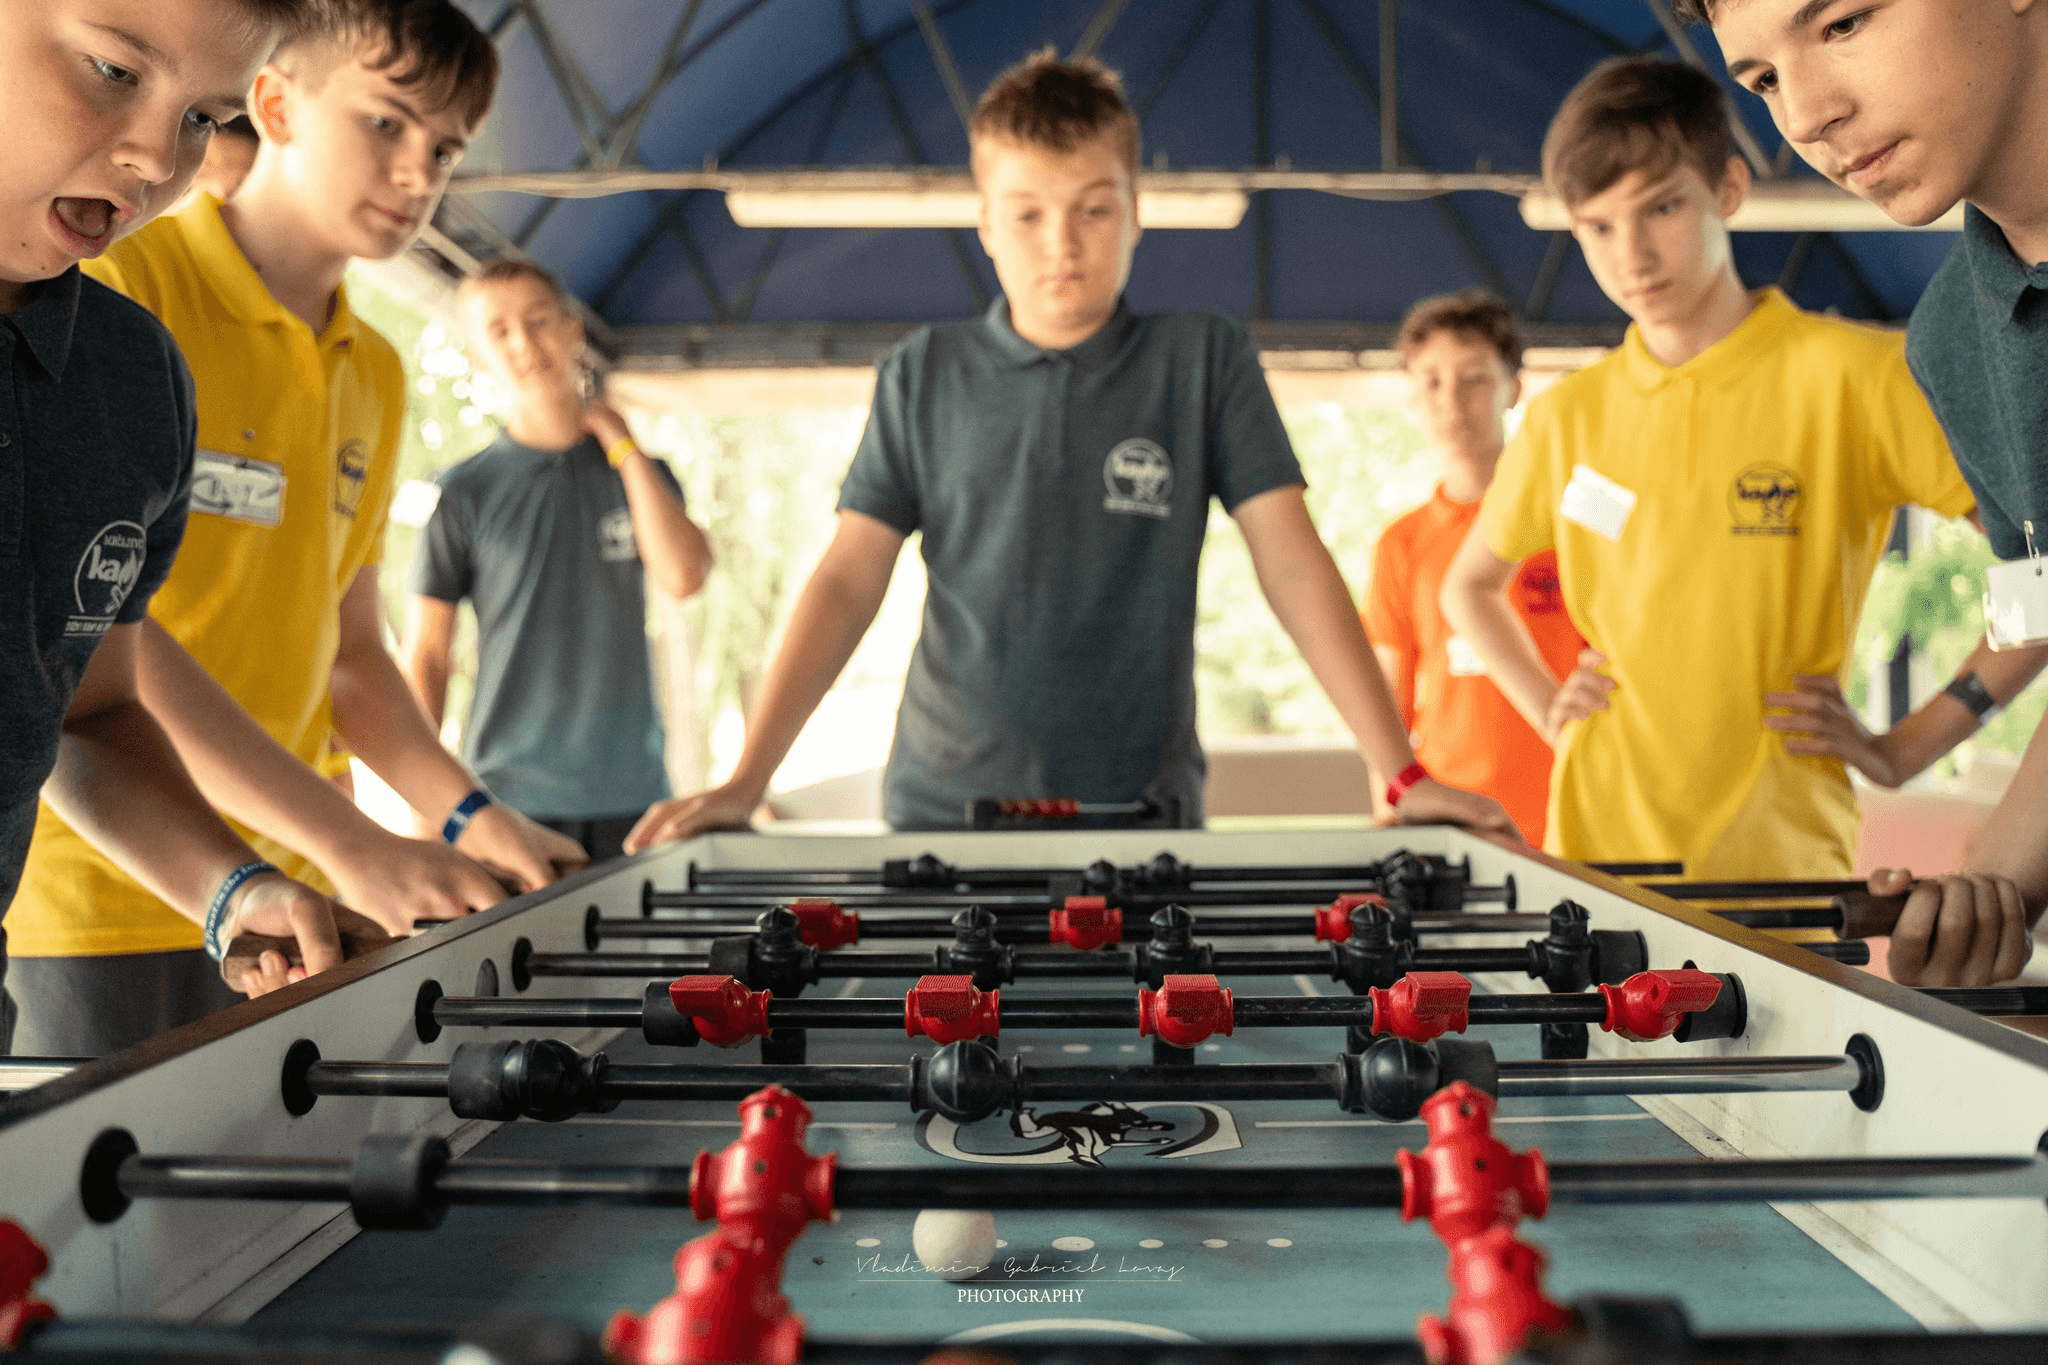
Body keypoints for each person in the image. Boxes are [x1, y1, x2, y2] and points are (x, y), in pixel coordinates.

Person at [628, 49, 1519, 852]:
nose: (1063, 244)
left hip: (1143, 821)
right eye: (1027, 214)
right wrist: (746, 780)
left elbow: (1291, 562)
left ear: (1136, 214)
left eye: (1095, 209)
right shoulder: (924, 372)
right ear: (983, 222)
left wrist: (1401, 772)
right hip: (946, 816)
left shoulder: (1201, 359)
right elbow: (848, 577)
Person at [8, 0, 588, 1056]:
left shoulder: (340, 371)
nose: (419, 173)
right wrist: (350, 839)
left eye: (445, 148)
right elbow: (92, 663)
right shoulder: (132, 276)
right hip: (91, 898)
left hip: (260, 889)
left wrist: (462, 819)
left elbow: (340, 658)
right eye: (385, 123)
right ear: (275, 107)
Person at [1439, 57, 2044, 985]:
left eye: (1660, 209)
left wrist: (1910, 743)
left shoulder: (1855, 375)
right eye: (1596, 227)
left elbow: (2035, 579)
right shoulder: (1569, 416)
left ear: (1728, 188)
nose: (1629, 254)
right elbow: (1468, 586)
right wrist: (1551, 713)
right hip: (1596, 861)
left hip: (1786, 873)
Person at [0, 0, 384, 1053]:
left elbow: (86, 711)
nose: (153, 160)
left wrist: (231, 889)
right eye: (114, 72)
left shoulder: (132, 382)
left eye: (203, 117)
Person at [1680, 4, 2048, 980]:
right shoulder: (1950, 338)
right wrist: (1989, 893)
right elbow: (2039, 610)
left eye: (1840, 23)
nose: (1800, 117)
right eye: (1759, 80)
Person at [402, 260, 714, 864]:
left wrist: (621, 443)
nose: (524, 343)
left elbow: (684, 577)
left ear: (572, 330)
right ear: (477, 354)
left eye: (539, 321)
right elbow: (429, 657)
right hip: (507, 802)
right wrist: (425, 810)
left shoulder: (642, 473)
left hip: (633, 799)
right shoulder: (464, 494)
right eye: (499, 331)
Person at [1366, 293, 1586, 843]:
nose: (1451, 402)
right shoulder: (1402, 542)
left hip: (1573, 812)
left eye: (1474, 380)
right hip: (1454, 823)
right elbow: (1388, 700)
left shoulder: (1576, 513)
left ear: (1514, 389)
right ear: (1412, 397)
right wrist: (1389, 819)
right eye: (1432, 382)